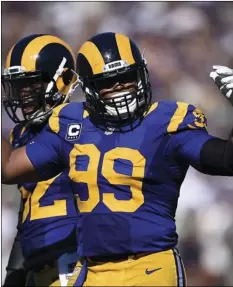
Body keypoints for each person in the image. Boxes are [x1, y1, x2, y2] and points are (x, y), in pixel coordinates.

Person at [2, 32, 233, 287]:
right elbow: (9, 169)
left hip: (150, 264)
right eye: (107, 82)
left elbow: (226, 159)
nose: (119, 88)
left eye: (125, 78)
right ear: (90, 87)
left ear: (141, 75)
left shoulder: (166, 120)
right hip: (92, 269)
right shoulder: (71, 125)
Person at [2, 34, 80, 287]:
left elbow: (6, 170)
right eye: (18, 86)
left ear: (63, 81)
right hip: (39, 264)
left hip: (77, 263)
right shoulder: (21, 134)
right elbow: (29, 208)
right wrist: (16, 269)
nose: (22, 95)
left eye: (32, 84)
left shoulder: (79, 123)